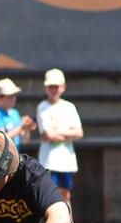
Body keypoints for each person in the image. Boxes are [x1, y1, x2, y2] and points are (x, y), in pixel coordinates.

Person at [35, 68, 84, 209]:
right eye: (50, 87)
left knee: (66, 195)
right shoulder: (42, 107)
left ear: (63, 87)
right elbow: (47, 135)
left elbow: (79, 133)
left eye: (56, 87)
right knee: (50, 197)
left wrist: (57, 132)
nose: (53, 90)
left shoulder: (69, 107)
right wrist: (67, 132)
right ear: (46, 88)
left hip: (66, 161)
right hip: (48, 161)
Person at [0, 78, 34, 149]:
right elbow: (2, 140)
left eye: (14, 95)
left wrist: (27, 129)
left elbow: (25, 141)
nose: (13, 98)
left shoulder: (15, 113)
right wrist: (21, 127)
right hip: (4, 159)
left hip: (16, 157)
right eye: (10, 95)